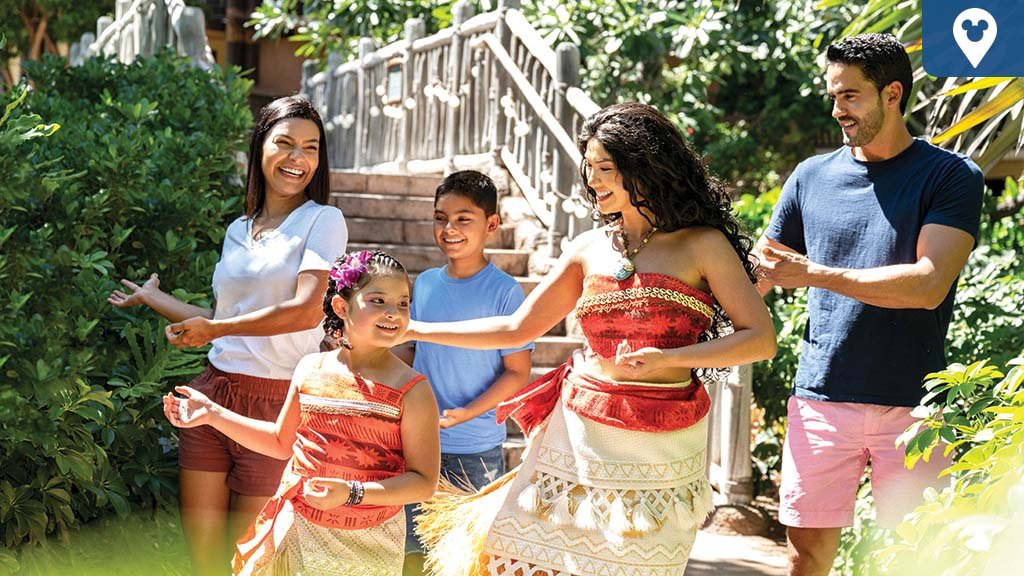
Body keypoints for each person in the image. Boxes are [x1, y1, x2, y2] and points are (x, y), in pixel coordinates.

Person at [408, 102, 776, 576]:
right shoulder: (588, 248)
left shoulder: (702, 244)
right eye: (589, 169)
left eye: (606, 168)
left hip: (664, 443)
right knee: (526, 553)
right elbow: (518, 328)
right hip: (581, 430)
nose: (593, 180)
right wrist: (417, 328)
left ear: (643, 166)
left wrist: (670, 357)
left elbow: (760, 339)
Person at [754, 33, 984, 576]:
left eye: (851, 96)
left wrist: (812, 273)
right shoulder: (810, 177)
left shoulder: (951, 176)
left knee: (915, 558)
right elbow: (759, 275)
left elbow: (928, 284)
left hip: (915, 405)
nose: (838, 111)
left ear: (892, 94)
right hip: (821, 397)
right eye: (833, 96)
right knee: (805, 556)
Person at [108, 96, 349, 575]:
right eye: (284, 143)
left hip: (278, 402)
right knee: (203, 560)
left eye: (311, 148)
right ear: (260, 147)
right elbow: (222, 316)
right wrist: (156, 299)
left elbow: (305, 312)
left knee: (250, 559)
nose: (297, 159)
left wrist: (216, 327)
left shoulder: (323, 221)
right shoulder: (239, 229)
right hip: (212, 392)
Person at [163, 250, 441, 575]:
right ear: (341, 306)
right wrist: (212, 413)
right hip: (300, 531)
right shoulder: (310, 368)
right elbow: (281, 442)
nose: (394, 313)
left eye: (403, 303)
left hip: (371, 543)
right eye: (378, 301)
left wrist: (352, 493)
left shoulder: (413, 390)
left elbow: (424, 482)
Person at [399, 170, 533, 576]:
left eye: (463, 218)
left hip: (475, 450)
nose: (449, 228)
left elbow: (517, 373)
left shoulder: (506, 291)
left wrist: (468, 412)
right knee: (411, 552)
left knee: (462, 559)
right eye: (440, 218)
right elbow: (412, 349)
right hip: (417, 442)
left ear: (491, 225)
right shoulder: (422, 284)